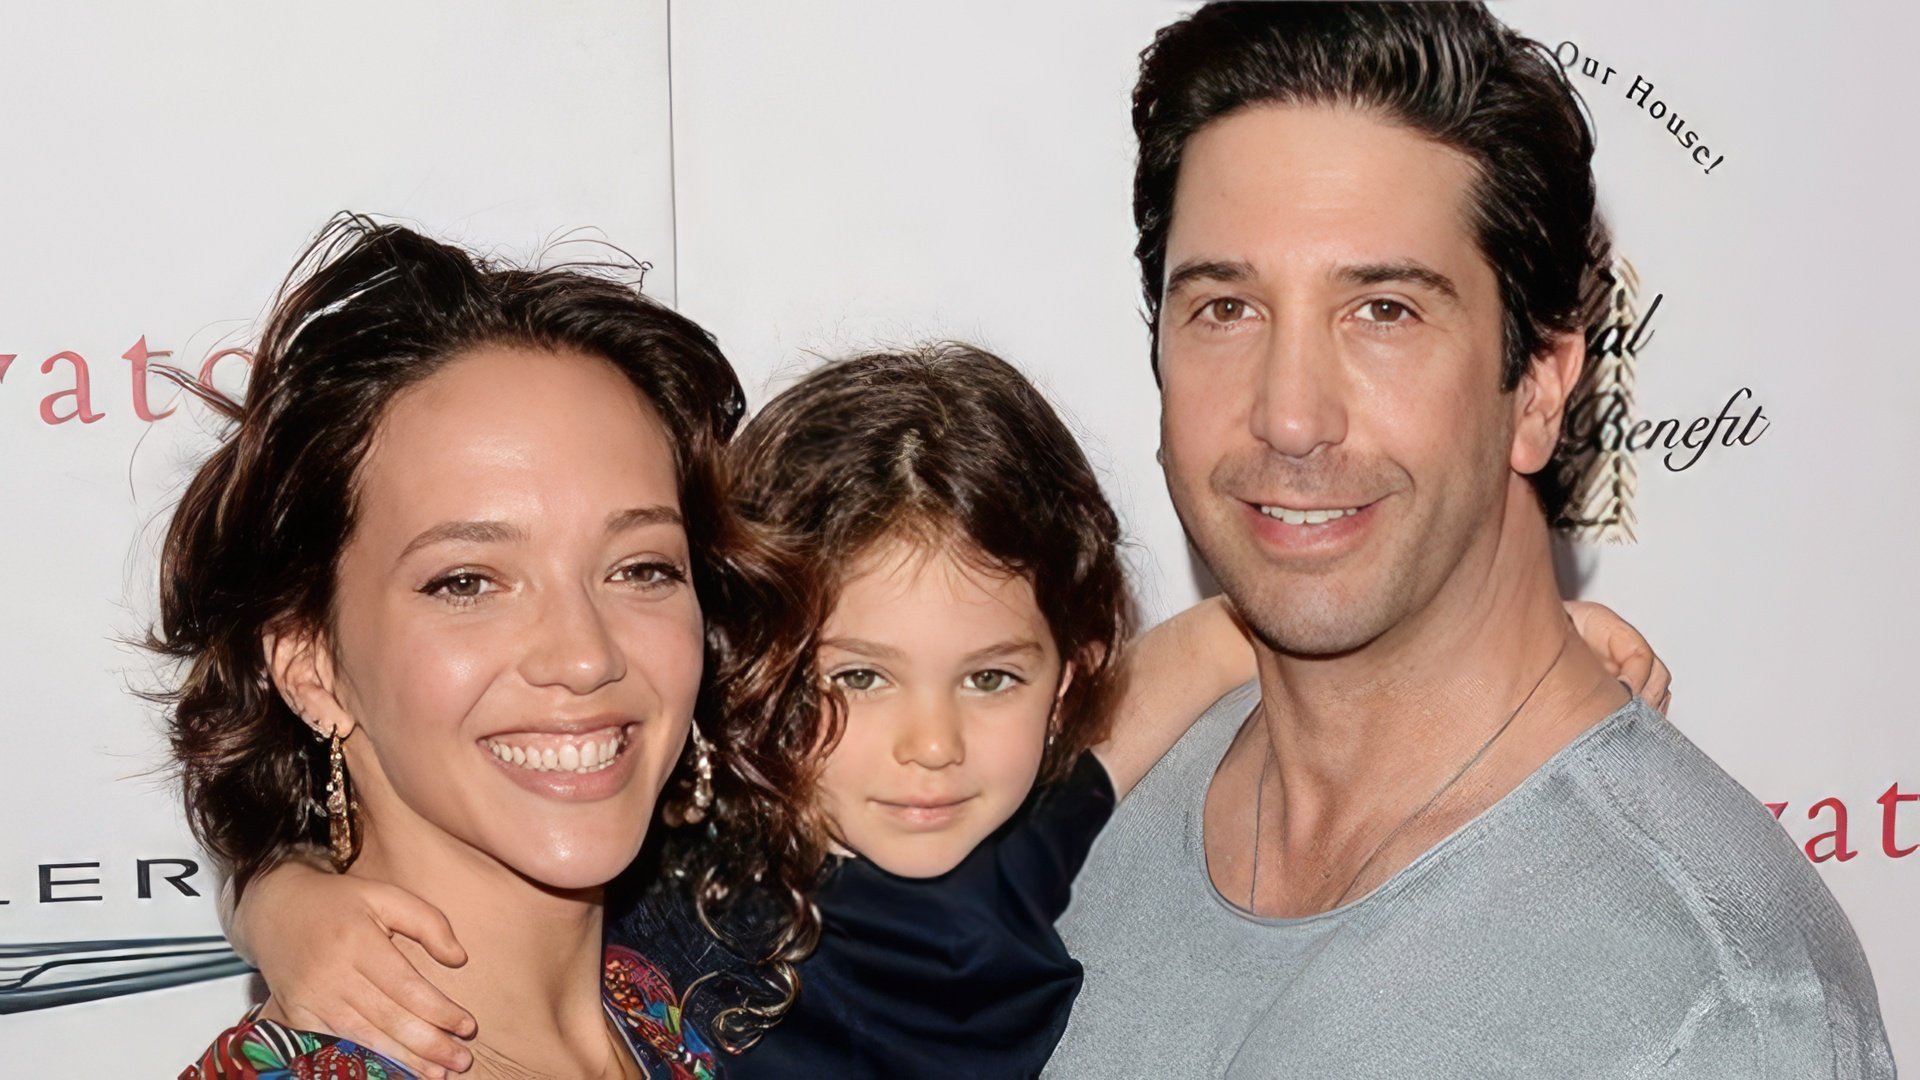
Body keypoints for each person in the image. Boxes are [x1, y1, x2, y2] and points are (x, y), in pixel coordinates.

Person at [225, 343, 1666, 1080]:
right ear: (761, 667)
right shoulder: (690, 888)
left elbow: (1199, 654)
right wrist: (287, 896)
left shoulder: (1022, 842)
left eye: (990, 679)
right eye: (855, 680)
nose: (928, 746)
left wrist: (1494, 640)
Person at [1047, 4, 1893, 1078]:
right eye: (1226, 309)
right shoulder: (1059, 824)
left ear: (1538, 387)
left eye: (1385, 311)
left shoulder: (1715, 1008)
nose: (1291, 414)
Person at [157, 215, 781, 1078]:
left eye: (640, 568)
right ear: (311, 666)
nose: (585, 655)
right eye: (466, 582)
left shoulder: (655, 1009)